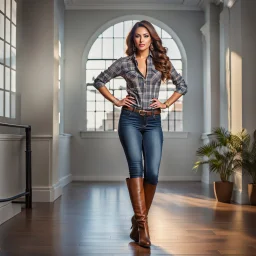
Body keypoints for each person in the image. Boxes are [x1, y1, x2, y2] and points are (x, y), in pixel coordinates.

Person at [93, 20, 187, 248]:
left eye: (146, 35)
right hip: (130, 120)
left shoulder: (160, 61)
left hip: (153, 121)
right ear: (132, 39)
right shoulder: (125, 63)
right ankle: (144, 228)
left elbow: (182, 85)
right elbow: (99, 80)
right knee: (136, 168)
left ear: (151, 38)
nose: (142, 39)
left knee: (152, 173)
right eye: (137, 36)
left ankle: (136, 220)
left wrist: (165, 103)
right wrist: (116, 100)